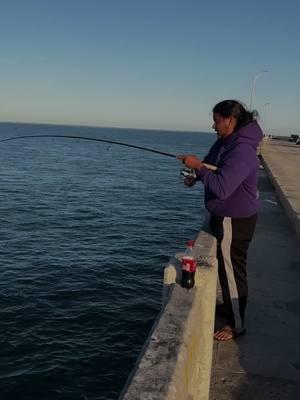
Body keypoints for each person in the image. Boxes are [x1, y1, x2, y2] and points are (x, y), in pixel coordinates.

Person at [177, 99, 263, 341]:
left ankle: (237, 325)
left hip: (234, 220)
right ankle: (229, 309)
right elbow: (211, 167)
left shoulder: (242, 149)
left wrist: (200, 169)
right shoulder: (225, 142)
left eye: (216, 120)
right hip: (222, 216)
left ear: (229, 120)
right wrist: (195, 173)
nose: (213, 125)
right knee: (226, 271)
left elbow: (223, 187)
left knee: (232, 272)